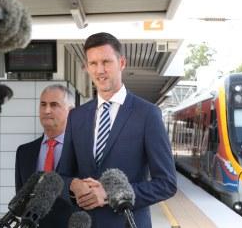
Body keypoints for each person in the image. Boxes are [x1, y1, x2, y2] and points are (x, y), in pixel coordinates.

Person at [58, 32, 177, 228]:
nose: (100, 70)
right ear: (87, 67)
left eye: (106, 62)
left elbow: (167, 184)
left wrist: (111, 194)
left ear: (122, 63)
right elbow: (63, 175)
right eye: (93, 64)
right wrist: (73, 185)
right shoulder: (76, 116)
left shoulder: (148, 114)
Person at [15, 84, 75, 228]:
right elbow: (20, 198)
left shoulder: (82, 150)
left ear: (71, 111)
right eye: (43, 104)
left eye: (54, 105)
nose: (47, 110)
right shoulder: (24, 152)